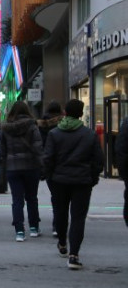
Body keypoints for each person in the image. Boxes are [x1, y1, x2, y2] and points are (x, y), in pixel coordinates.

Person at [43, 99, 103, 270]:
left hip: (59, 181)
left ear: (65, 113)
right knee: (78, 218)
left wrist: (50, 176)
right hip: (82, 181)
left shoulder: (55, 134)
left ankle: (62, 243)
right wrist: (92, 178)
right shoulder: (89, 134)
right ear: (81, 114)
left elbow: (48, 158)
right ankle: (74, 255)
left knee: (60, 213)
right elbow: (98, 160)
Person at [0, 101, 43, 242]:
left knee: (17, 200)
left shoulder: (6, 128)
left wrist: (5, 166)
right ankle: (34, 228)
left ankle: (19, 230)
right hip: (31, 166)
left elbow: (3, 151)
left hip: (13, 167)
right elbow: (38, 148)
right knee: (32, 198)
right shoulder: (32, 126)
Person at [38, 101, 64, 237]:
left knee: (56, 196)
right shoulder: (63, 124)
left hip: (49, 164)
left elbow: (40, 146)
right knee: (64, 197)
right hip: (63, 163)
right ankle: (59, 223)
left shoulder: (41, 125)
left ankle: (57, 224)